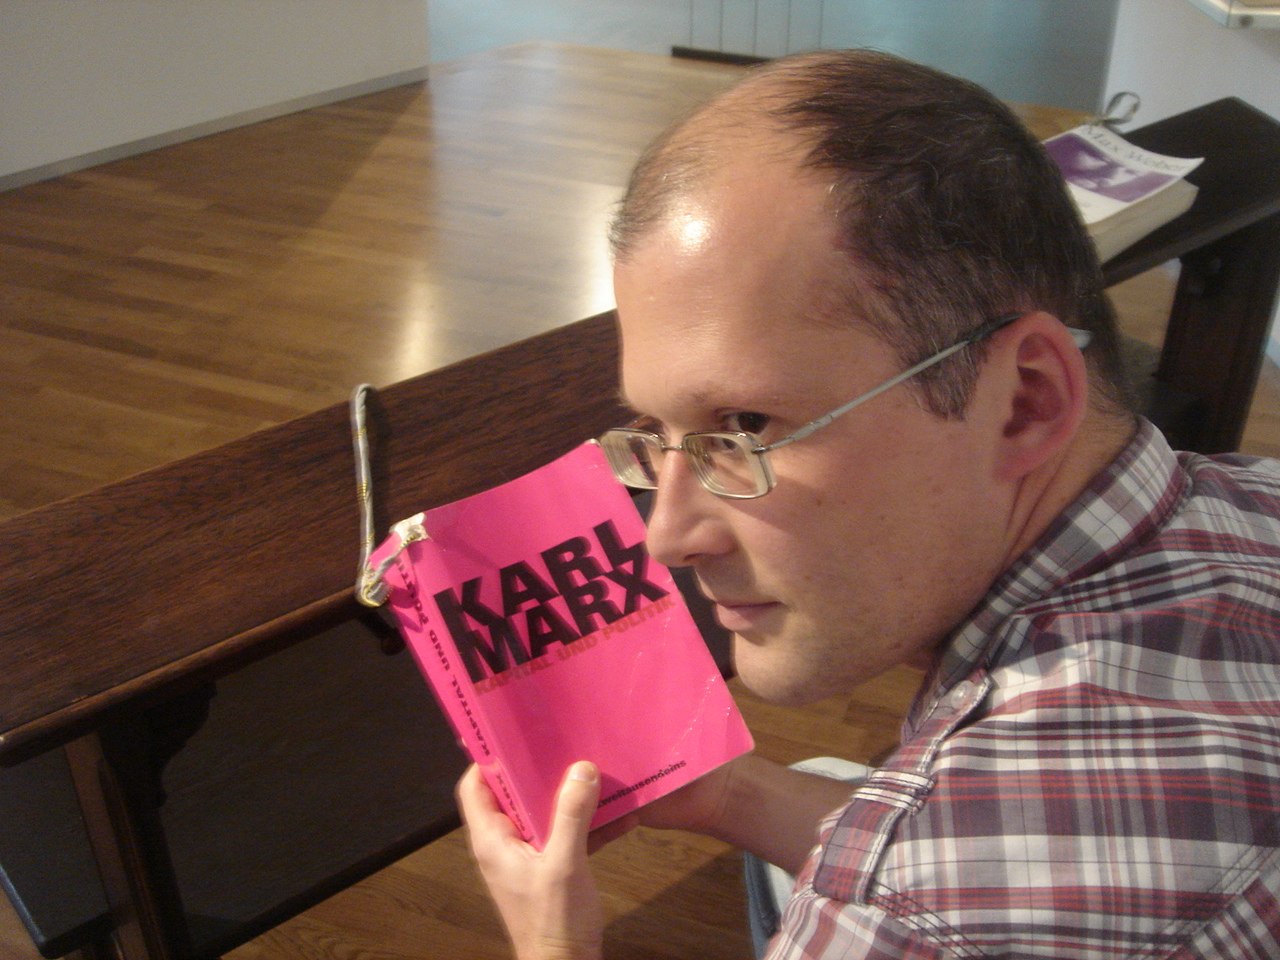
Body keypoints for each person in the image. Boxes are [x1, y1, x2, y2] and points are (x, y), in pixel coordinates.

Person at [456, 49, 1280, 960]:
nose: (668, 537)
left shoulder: (900, 918)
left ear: (1025, 401)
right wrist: (733, 795)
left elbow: (922, 898)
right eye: (657, 433)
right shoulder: (1257, 497)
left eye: (747, 426)